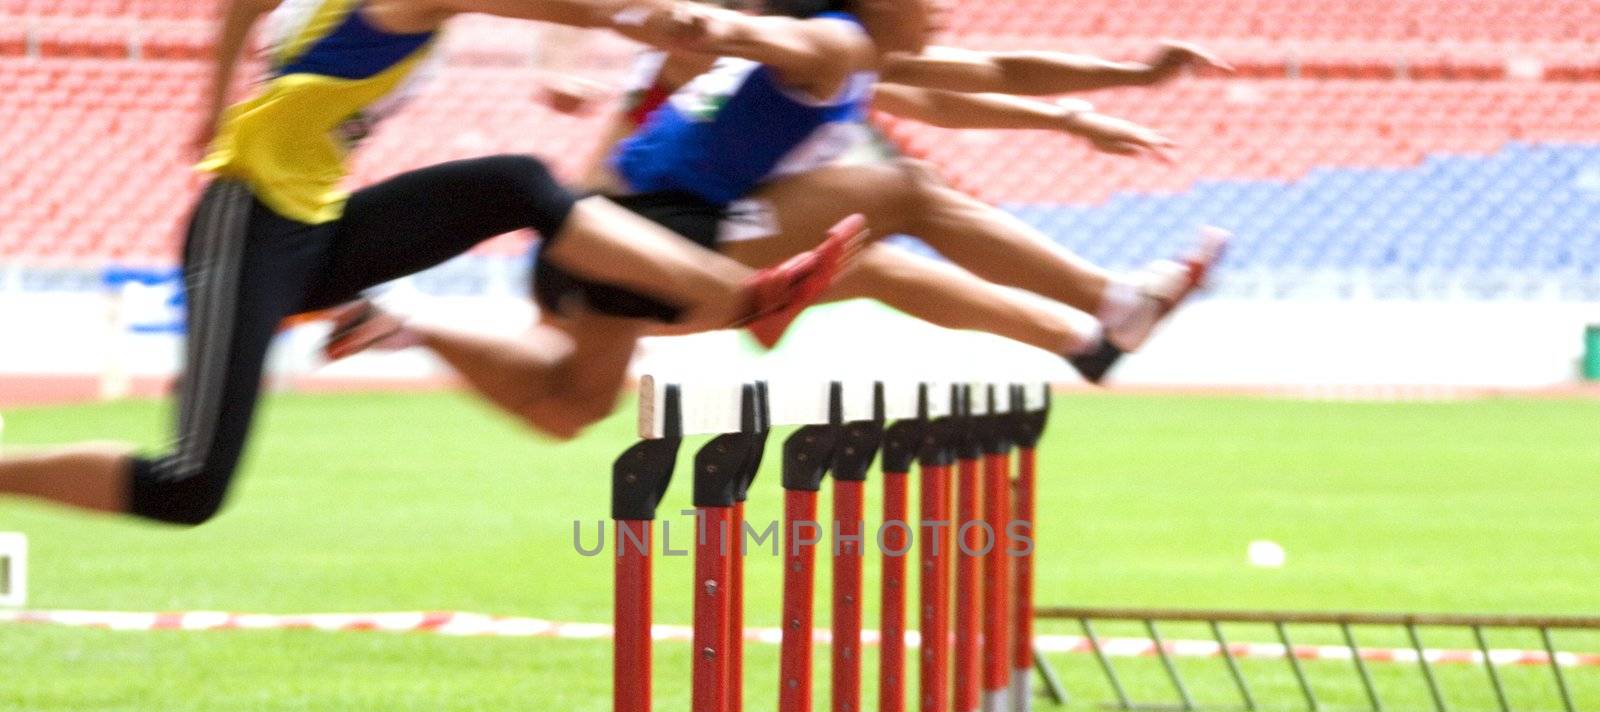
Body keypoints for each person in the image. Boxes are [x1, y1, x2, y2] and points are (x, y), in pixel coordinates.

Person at [0, 0, 862, 524]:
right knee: (189, 486)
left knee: (516, 184)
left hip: (317, 226)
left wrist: (215, 95)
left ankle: (750, 298)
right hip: (249, 223)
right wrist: (638, 18)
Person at [335, 1, 1227, 431]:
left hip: (610, 243)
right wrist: (712, 27)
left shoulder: (867, 59)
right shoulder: (837, 42)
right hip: (652, 231)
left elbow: (996, 77)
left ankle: (402, 324)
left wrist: (1128, 79)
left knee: (570, 402)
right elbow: (776, 40)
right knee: (898, 198)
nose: (946, 12)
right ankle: (1106, 304)